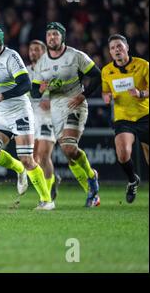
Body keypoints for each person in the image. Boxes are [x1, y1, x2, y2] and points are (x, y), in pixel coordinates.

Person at [0, 25, 53, 210]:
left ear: (0, 40)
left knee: (27, 159)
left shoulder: (11, 56)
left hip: (19, 113)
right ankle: (19, 169)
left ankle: (46, 200)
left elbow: (25, 84)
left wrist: (3, 96)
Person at [31, 22, 101, 207]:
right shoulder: (42, 62)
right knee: (69, 154)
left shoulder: (75, 55)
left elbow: (97, 75)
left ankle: (91, 181)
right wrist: (40, 89)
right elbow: (34, 91)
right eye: (49, 35)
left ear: (62, 37)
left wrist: (83, 95)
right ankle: (91, 176)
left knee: (69, 147)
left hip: (74, 104)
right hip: (55, 109)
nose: (52, 38)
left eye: (55, 34)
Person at [101, 34, 149, 203]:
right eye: (113, 48)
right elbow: (106, 92)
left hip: (145, 116)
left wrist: (141, 93)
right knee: (122, 154)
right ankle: (132, 180)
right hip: (123, 118)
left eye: (119, 46)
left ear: (127, 48)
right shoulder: (107, 71)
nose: (117, 50)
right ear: (110, 52)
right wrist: (106, 97)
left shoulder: (143, 65)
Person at [27, 39, 61, 200]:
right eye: (31, 50)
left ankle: (46, 196)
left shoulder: (52, 70)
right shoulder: (25, 72)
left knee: (44, 153)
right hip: (30, 119)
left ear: (44, 52)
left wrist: (52, 100)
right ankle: (52, 179)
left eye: (37, 49)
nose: (33, 52)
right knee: (33, 158)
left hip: (48, 118)